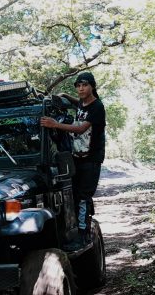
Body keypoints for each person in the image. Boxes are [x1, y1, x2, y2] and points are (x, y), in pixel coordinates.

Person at [40, 71, 106, 250]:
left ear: (92, 86)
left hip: (91, 160)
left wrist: (55, 124)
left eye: (84, 85)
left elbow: (81, 129)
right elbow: (79, 104)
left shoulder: (97, 107)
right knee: (75, 196)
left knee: (83, 198)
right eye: (78, 86)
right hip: (77, 158)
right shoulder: (83, 105)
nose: (81, 88)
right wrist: (65, 96)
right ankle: (76, 231)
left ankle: (83, 237)